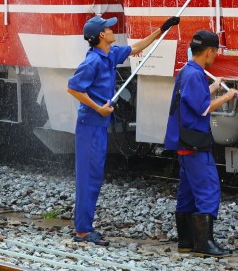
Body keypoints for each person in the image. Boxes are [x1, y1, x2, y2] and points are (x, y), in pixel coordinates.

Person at [67, 14, 180, 246]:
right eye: (108, 28)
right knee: (88, 178)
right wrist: (99, 108)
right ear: (101, 35)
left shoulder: (110, 54)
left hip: (97, 126)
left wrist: (162, 28)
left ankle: (84, 227)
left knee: (94, 178)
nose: (112, 30)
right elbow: (73, 88)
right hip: (90, 126)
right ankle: (82, 231)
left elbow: (137, 47)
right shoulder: (93, 62)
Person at [164, 29, 238, 257]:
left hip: (183, 142)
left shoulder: (187, 71)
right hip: (195, 143)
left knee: (187, 192)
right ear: (209, 51)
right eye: (215, 53)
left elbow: (193, 99)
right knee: (208, 189)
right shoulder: (196, 74)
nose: (215, 57)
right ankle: (204, 245)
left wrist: (213, 88)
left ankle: (186, 241)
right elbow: (202, 107)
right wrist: (226, 96)